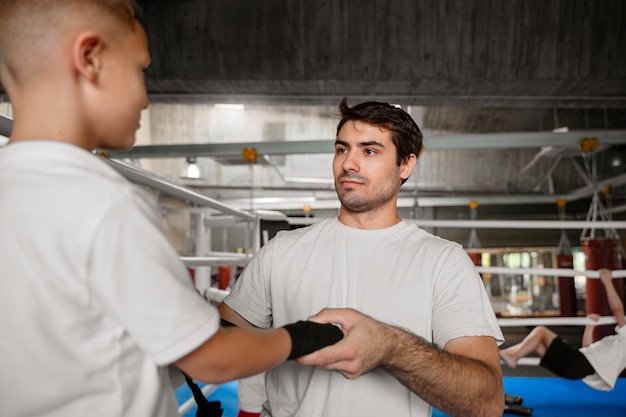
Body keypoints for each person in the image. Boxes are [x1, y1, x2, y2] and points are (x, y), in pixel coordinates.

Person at [0, 2, 341, 416]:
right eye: (140, 68)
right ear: (89, 58)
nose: (145, 97)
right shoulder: (103, 201)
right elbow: (212, 359)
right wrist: (307, 335)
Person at [219, 99, 505, 417]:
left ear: (406, 165)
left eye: (369, 151)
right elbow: (218, 344)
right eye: (342, 149)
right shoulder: (281, 250)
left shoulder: (444, 262)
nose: (348, 164)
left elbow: (487, 403)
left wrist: (391, 348)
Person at [500, 268, 626, 391]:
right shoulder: (618, 345)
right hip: (577, 369)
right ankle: (505, 354)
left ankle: (512, 356)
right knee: (537, 344)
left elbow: (618, 311)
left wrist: (607, 281)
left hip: (577, 364)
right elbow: (587, 349)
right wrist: (590, 326)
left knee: (541, 331)